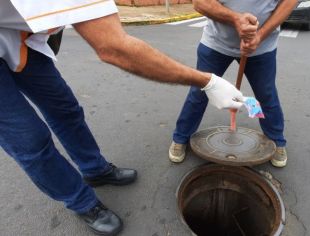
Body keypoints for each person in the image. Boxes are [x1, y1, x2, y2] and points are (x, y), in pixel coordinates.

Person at [0, 1, 256, 235]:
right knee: (30, 140)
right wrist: (207, 81)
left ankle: (94, 170)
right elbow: (114, 47)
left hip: (14, 38)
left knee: (65, 108)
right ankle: (81, 201)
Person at [169, 0, 298, 168]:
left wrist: (259, 36)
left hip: (262, 46)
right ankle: (180, 137)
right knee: (199, 92)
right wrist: (236, 19)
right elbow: (200, 3)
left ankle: (277, 140)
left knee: (266, 95)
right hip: (216, 43)